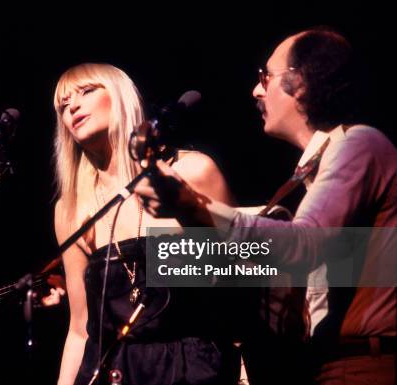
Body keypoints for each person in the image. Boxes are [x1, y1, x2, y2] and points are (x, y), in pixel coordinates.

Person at [135, 27, 396, 385]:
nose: (256, 90)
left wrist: (193, 206)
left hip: (362, 365)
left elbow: (304, 244)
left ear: (300, 82)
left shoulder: (361, 143)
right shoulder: (309, 176)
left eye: (265, 77)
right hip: (326, 364)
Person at [52, 63, 238, 385]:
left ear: (120, 96)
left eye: (86, 91)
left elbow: (238, 290)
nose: (73, 106)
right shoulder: (70, 209)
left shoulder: (192, 173)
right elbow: (80, 328)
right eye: (63, 105)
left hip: (192, 370)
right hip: (114, 372)